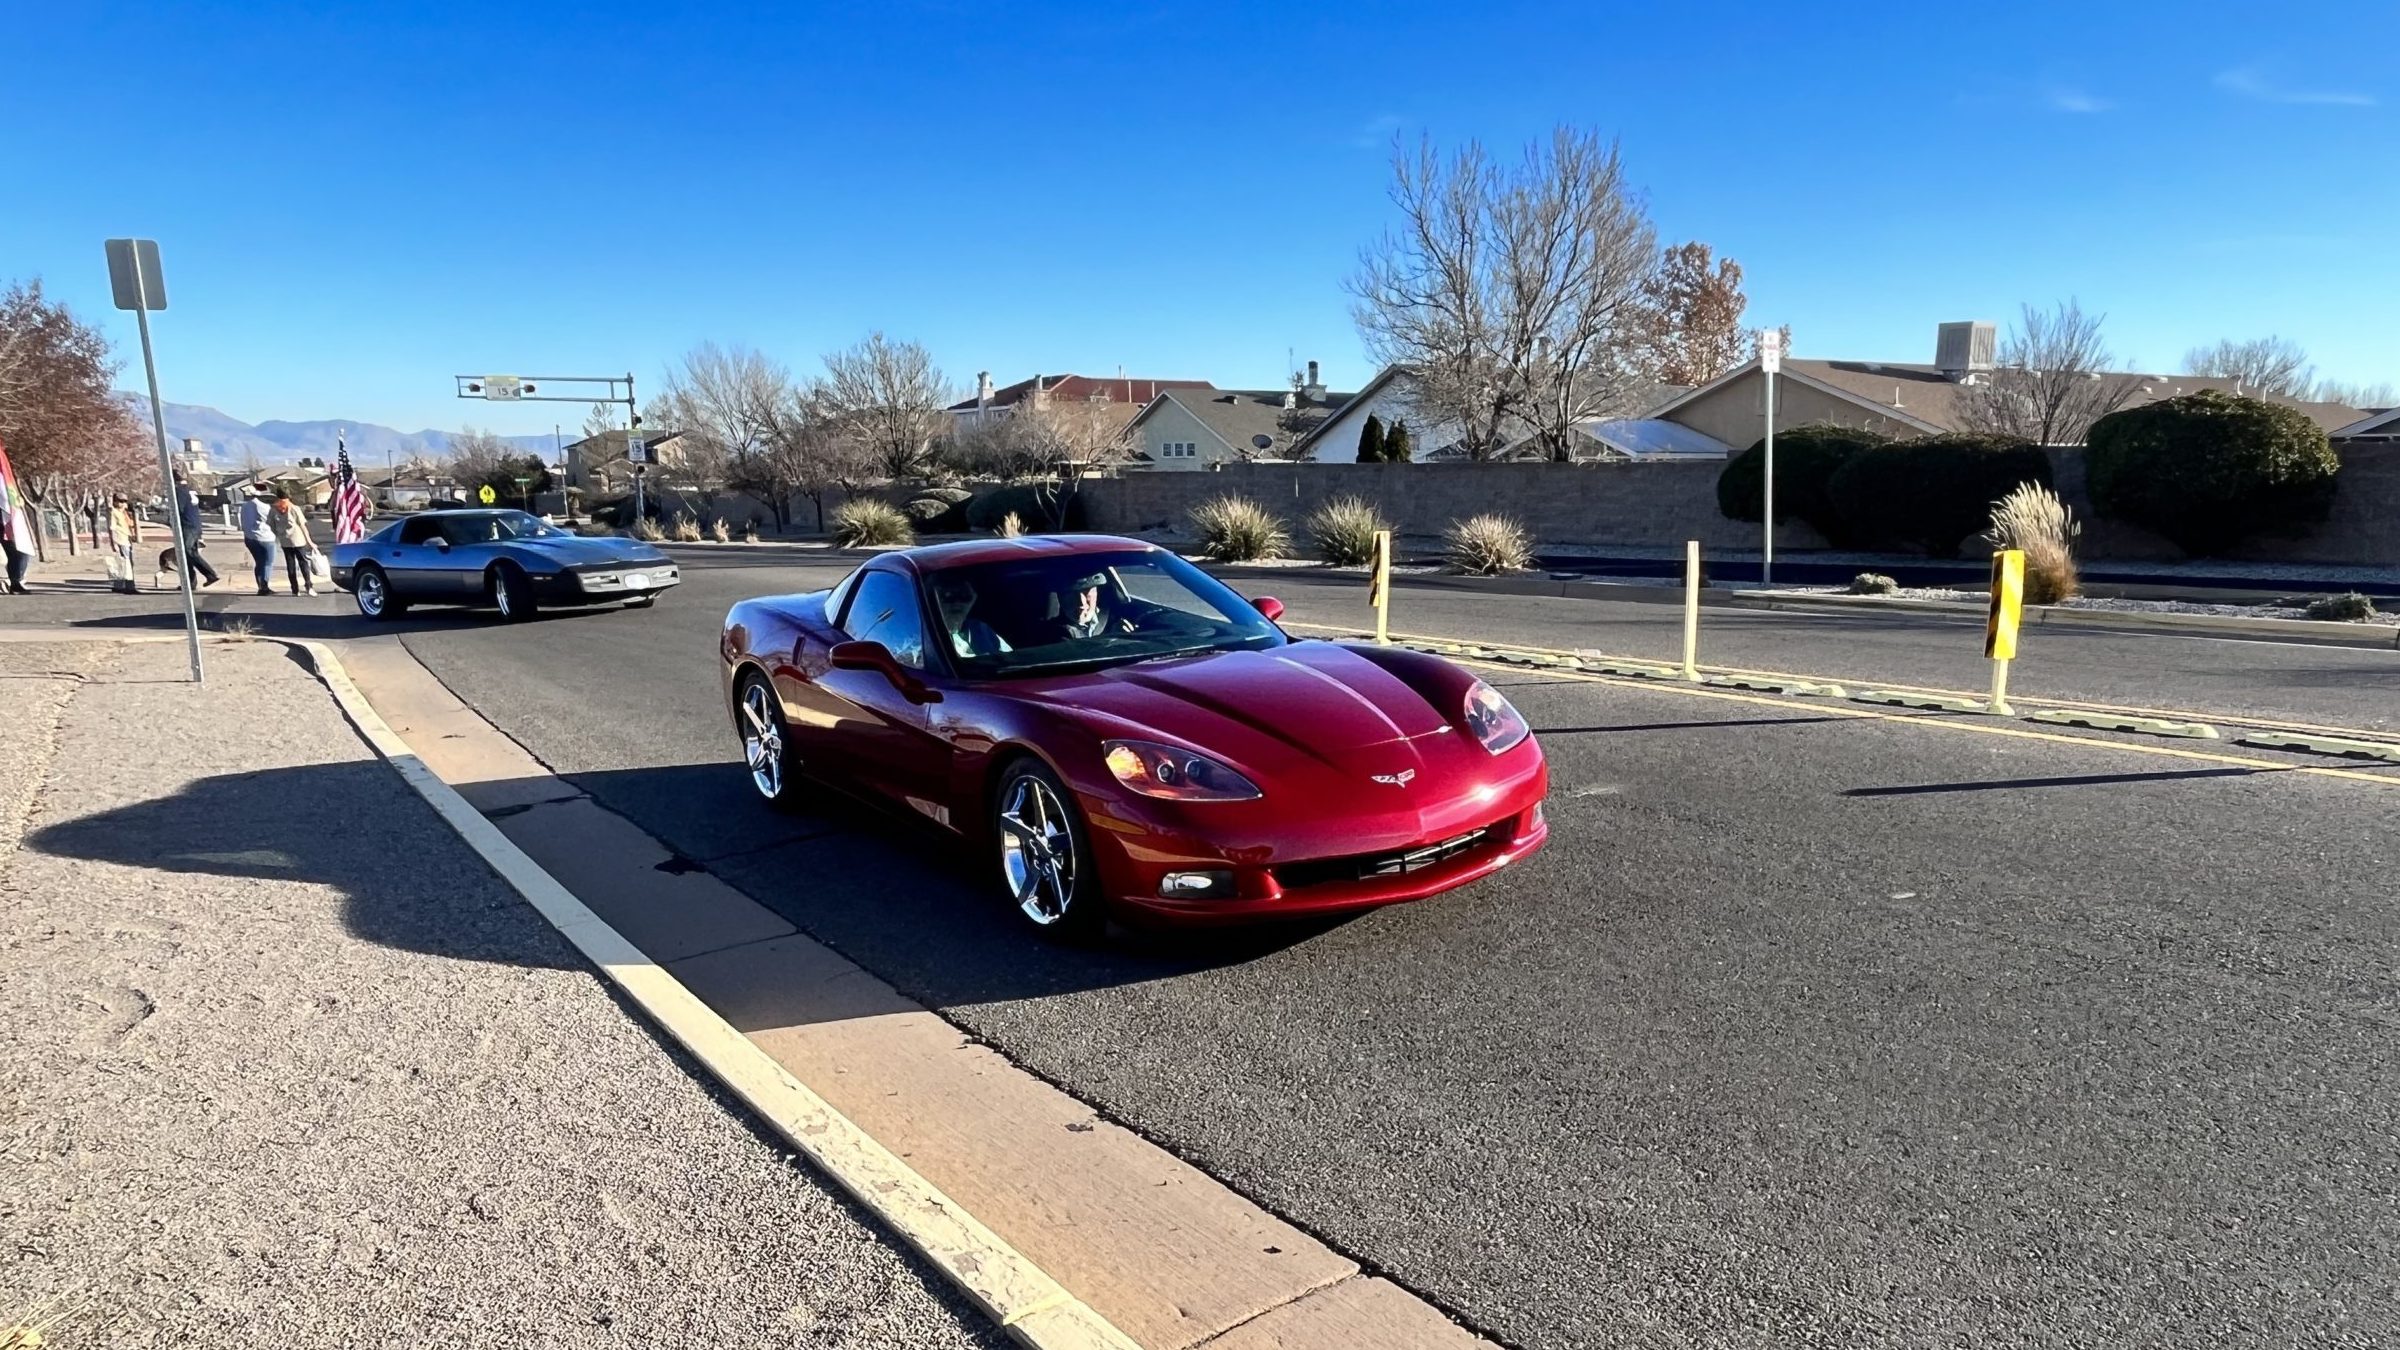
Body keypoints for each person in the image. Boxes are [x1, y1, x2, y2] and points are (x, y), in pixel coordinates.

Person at [929, 572, 1010, 658]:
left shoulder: (985, 631)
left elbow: (1009, 661)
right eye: (947, 597)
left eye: (965, 596)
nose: (957, 603)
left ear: (974, 599)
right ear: (932, 601)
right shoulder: (923, 638)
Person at [1054, 570, 1136, 642]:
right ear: (1061, 598)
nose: (1081, 603)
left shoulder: (1114, 621)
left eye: (1086, 592)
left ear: (1096, 593)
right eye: (1071, 595)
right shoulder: (1052, 636)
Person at [171, 473, 220, 589]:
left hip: (187, 526)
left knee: (188, 552)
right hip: (195, 526)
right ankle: (190, 583)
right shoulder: (190, 490)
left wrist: (170, 520)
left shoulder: (179, 492)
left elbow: (178, 509)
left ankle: (210, 574)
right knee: (187, 554)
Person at [269, 487, 318, 595]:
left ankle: (295, 589)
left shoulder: (273, 509)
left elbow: (271, 525)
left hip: (285, 541)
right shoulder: (294, 508)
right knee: (303, 563)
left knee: (290, 565)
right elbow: (302, 526)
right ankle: (308, 586)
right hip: (298, 540)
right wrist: (310, 542)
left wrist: (279, 535)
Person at [238, 484, 279, 595]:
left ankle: (260, 585)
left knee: (259, 562)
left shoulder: (245, 506)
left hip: (249, 537)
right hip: (265, 537)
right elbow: (272, 519)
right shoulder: (262, 506)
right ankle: (264, 587)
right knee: (267, 563)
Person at [106, 493, 141, 594]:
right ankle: (129, 586)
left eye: (124, 501)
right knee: (126, 563)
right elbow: (112, 528)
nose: (123, 504)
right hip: (120, 540)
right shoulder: (114, 512)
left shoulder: (124, 513)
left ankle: (119, 585)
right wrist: (114, 543)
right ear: (115, 502)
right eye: (120, 501)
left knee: (123, 563)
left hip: (127, 539)